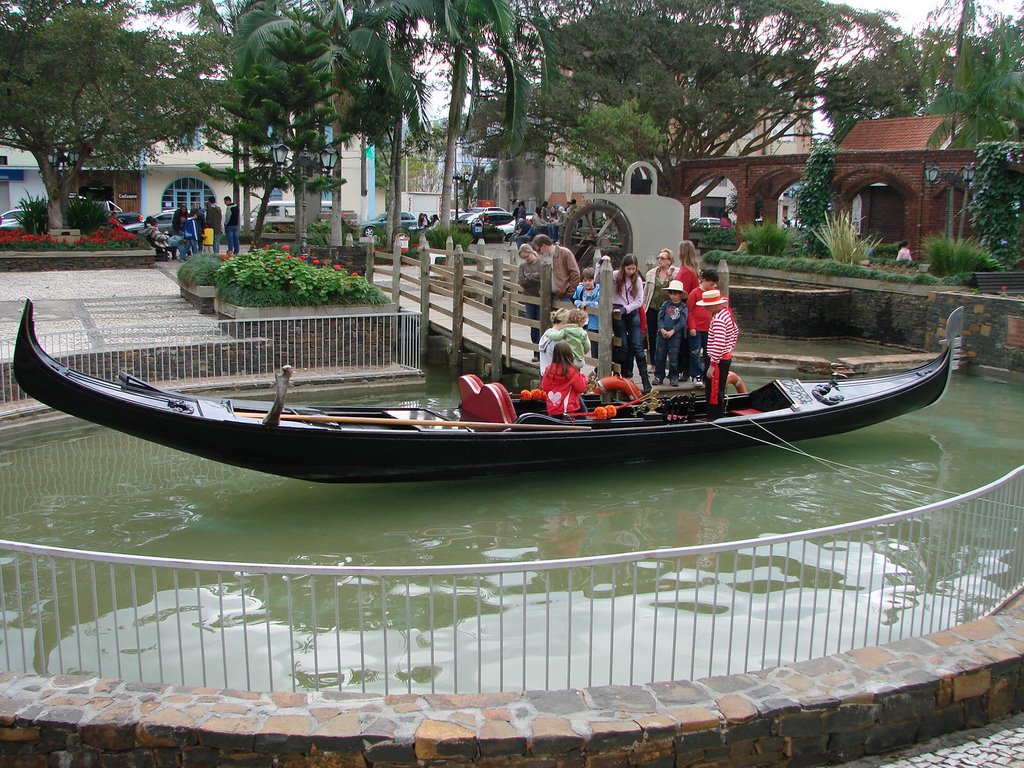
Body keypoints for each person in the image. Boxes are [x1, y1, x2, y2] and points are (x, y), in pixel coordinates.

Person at [607, 253, 651, 391]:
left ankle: (645, 380)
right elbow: (598, 281)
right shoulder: (615, 276)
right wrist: (599, 265)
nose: (631, 271)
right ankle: (623, 374)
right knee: (623, 345)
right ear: (623, 267)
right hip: (617, 313)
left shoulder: (637, 280)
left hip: (631, 312)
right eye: (629, 269)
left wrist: (626, 309)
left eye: (633, 269)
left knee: (637, 345)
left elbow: (639, 301)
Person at [697, 288, 740, 420]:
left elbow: (719, 343)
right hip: (724, 357)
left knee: (714, 392)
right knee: (717, 390)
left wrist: (712, 364)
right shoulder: (726, 313)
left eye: (707, 306)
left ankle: (713, 419)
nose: (706, 309)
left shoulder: (719, 320)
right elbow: (735, 331)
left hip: (718, 361)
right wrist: (729, 348)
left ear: (715, 305)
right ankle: (715, 416)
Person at [540, 341, 588, 418]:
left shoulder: (548, 370)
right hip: (568, 410)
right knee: (582, 406)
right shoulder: (573, 371)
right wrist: (582, 377)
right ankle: (586, 421)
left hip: (553, 409)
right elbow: (581, 388)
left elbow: (544, 387)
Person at [644, 249, 676, 365]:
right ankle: (653, 362)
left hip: (668, 310)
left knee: (667, 336)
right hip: (652, 308)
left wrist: (672, 278)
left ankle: (667, 364)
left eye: (662, 258)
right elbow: (646, 292)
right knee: (652, 336)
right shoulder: (651, 273)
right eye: (659, 258)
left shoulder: (675, 273)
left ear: (669, 261)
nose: (660, 260)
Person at [674, 240, 701, 379]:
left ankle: (684, 370)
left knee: (683, 342)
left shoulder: (685, 272)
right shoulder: (692, 271)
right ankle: (686, 370)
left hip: (683, 306)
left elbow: (682, 292)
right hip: (688, 307)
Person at [654, 280, 688, 386]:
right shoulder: (665, 304)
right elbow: (659, 318)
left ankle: (674, 376)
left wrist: (673, 331)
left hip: (675, 334)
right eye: (671, 293)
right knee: (659, 356)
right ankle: (658, 376)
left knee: (674, 357)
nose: (673, 296)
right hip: (662, 333)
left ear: (680, 294)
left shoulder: (683, 307)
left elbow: (682, 321)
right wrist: (662, 329)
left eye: (676, 293)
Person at [687, 268, 718, 382]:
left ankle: (706, 376)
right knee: (695, 352)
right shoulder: (695, 293)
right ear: (704, 280)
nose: (713, 287)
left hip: (708, 329)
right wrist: (691, 326)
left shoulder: (712, 294)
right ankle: (696, 375)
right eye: (711, 284)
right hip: (697, 328)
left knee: (708, 353)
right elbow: (689, 310)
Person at [531, 233, 580, 302]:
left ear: (544, 246)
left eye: (539, 250)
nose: (539, 253)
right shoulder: (543, 257)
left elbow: (575, 273)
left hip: (564, 296)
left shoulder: (565, 253)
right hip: (548, 296)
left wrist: (569, 292)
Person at [517, 244, 542, 360]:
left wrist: (530, 277)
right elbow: (522, 281)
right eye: (524, 258)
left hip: (541, 297)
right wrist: (534, 277)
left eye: (527, 256)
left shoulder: (541, 263)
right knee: (533, 325)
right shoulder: (522, 266)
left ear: (532, 252)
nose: (526, 259)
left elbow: (543, 276)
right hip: (529, 297)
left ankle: (543, 352)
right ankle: (536, 353)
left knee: (542, 323)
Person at [572, 267, 600, 358]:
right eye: (585, 280)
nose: (587, 283)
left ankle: (597, 368)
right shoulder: (580, 289)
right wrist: (579, 303)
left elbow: (598, 303)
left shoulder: (599, 290)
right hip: (583, 321)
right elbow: (574, 299)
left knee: (596, 345)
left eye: (590, 280)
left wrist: (586, 304)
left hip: (595, 322)